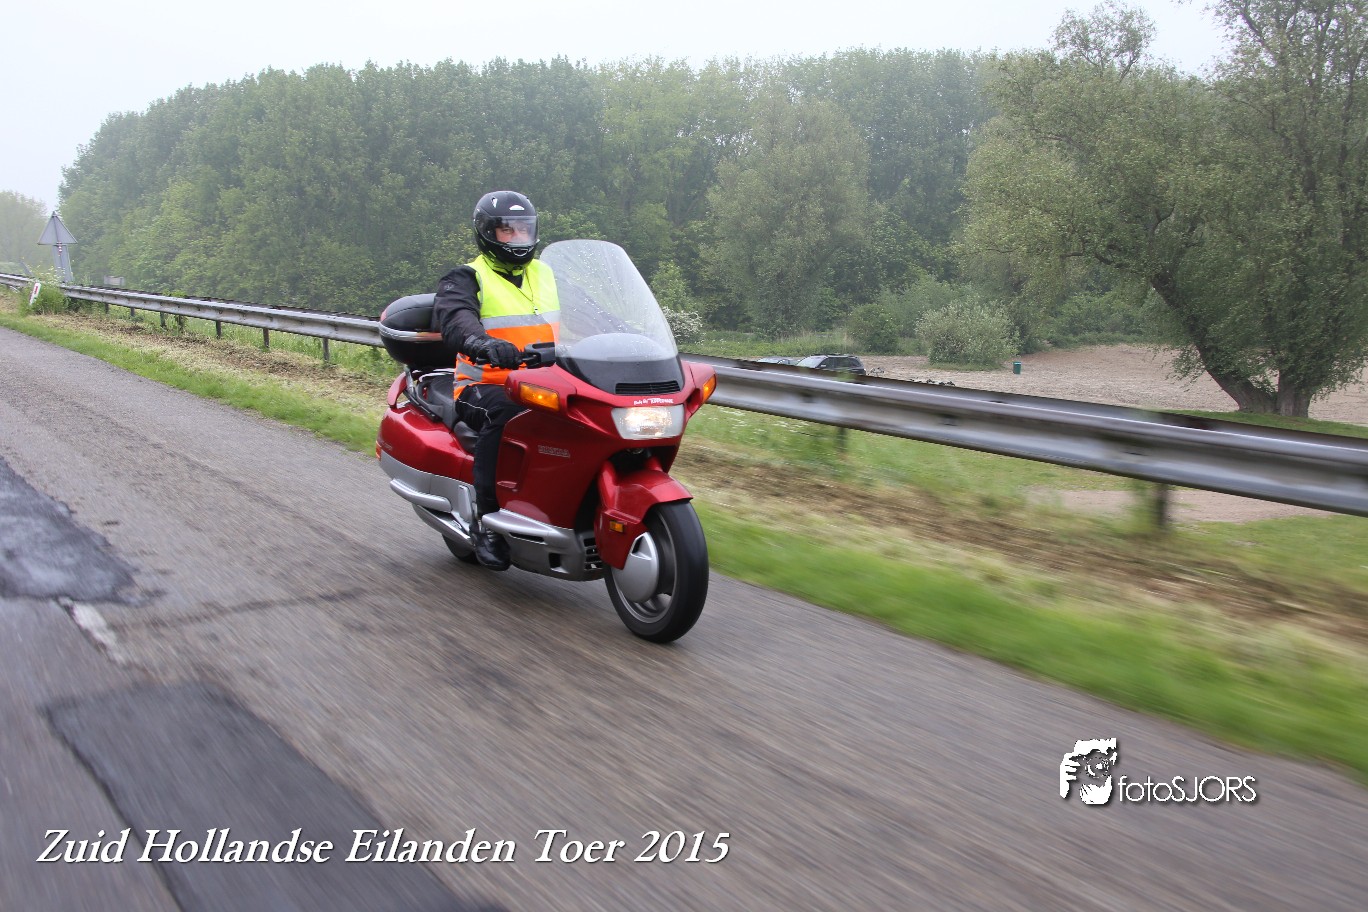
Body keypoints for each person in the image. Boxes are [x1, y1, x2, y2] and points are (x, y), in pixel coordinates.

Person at [432, 190, 559, 570]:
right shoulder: (467, 277)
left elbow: (590, 313)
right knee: (507, 414)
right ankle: (486, 523)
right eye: (508, 230)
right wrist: (483, 343)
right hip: (484, 385)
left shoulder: (547, 273)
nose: (518, 238)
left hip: (548, 383)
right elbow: (456, 319)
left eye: (524, 229)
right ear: (487, 233)